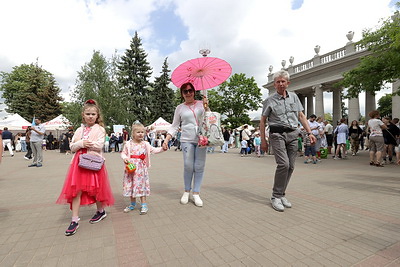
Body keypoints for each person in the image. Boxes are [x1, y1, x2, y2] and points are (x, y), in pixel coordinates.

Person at [56, 99, 114, 236]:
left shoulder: (100, 129)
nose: (90, 116)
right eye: (87, 114)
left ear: (97, 115)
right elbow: (72, 147)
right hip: (78, 163)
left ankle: (101, 211)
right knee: (76, 190)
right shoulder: (79, 130)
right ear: (83, 115)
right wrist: (81, 143)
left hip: (93, 163)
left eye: (93, 114)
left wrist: (87, 144)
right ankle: (74, 219)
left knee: (96, 188)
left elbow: (100, 145)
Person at [260, 70, 315, 212]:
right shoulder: (269, 101)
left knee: (291, 166)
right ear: (274, 84)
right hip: (277, 134)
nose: (280, 84)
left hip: (293, 134)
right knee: (283, 164)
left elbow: (301, 116)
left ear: (288, 83)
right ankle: (275, 196)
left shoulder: (294, 97)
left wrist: (310, 133)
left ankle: (281, 194)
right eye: (278, 81)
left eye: (283, 81)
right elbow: (263, 121)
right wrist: (263, 140)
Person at [163, 82, 209, 207]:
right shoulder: (180, 108)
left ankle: (196, 193)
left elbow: (209, 119)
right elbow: (174, 126)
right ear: (182, 94)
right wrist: (166, 140)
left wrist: (207, 108)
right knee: (188, 165)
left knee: (199, 166)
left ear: (194, 91)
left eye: (190, 90)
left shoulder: (201, 104)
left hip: (201, 139)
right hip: (186, 139)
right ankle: (186, 191)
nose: (188, 93)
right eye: (185, 91)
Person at [121, 123, 165, 215]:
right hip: (131, 168)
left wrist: (163, 149)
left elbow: (155, 150)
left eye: (142, 132)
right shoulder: (128, 144)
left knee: (141, 186)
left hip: (141, 170)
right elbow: (123, 153)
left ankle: (144, 204)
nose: (141, 134)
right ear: (133, 133)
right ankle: (132, 204)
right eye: (138, 132)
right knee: (131, 185)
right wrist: (125, 158)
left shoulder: (146, 144)